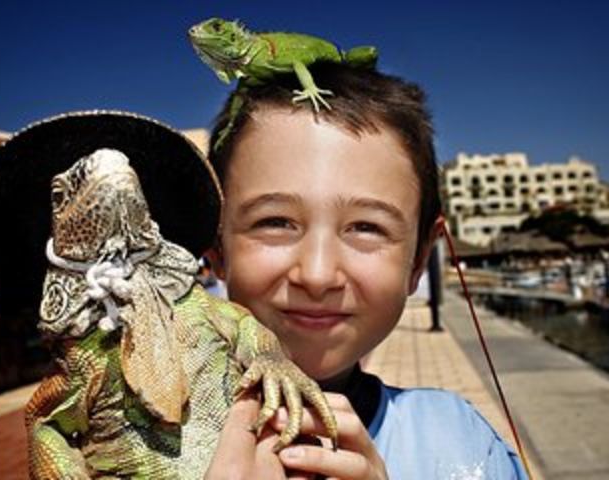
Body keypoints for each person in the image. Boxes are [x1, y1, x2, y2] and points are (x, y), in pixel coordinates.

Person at [203, 63, 529, 479]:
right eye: (275, 222)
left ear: (417, 260)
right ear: (215, 249)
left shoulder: (462, 444)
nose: (317, 275)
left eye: (366, 227)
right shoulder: (116, 436)